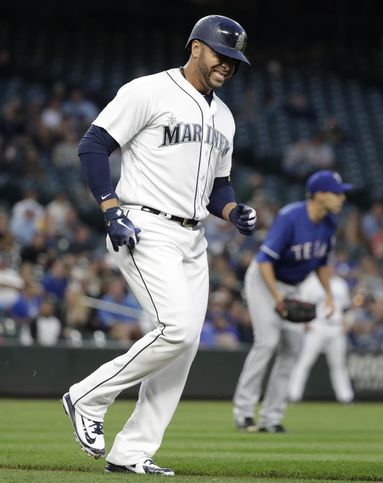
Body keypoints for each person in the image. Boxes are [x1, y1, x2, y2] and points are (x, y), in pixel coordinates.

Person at [61, 15, 256, 476]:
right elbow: (93, 145)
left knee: (183, 349)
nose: (227, 65)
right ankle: (88, 397)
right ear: (195, 47)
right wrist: (109, 208)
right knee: (179, 330)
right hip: (145, 225)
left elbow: (219, 188)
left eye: (234, 60)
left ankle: (132, 451)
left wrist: (232, 212)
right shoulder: (148, 90)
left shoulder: (224, 116)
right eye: (220, 54)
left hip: (193, 237)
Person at [233, 169, 352, 433]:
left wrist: (329, 295)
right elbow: (265, 262)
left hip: (294, 286)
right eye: (336, 193)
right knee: (267, 342)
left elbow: (321, 262)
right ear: (319, 195)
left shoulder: (330, 223)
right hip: (265, 281)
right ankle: (244, 413)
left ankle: (272, 418)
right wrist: (278, 299)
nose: (341, 198)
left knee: (291, 348)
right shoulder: (291, 217)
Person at [288, 271, 354, 404]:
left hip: (336, 327)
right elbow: (300, 304)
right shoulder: (310, 283)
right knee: (305, 362)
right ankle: (293, 394)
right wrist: (304, 322)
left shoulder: (340, 283)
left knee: (338, 364)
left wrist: (346, 323)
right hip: (317, 326)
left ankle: (346, 397)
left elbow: (346, 308)